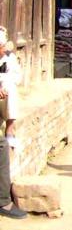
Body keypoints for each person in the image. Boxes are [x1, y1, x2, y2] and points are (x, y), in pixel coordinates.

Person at [0, 28, 25, 219]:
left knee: (9, 87)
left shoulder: (8, 58)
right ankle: (3, 201)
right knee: (1, 146)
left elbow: (17, 77)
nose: (3, 50)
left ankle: (10, 127)